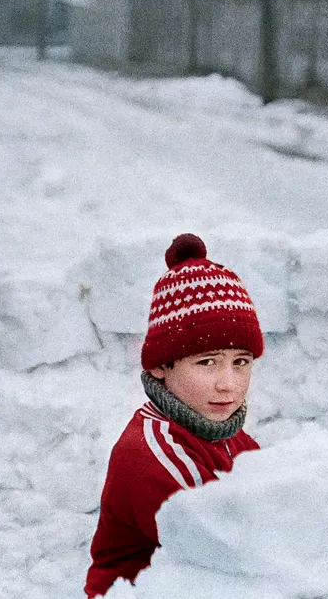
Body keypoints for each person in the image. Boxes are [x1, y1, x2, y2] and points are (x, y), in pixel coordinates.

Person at [84, 233, 263, 597]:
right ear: (162, 366)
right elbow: (240, 549)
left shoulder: (220, 429)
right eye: (207, 362)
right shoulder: (154, 454)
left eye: (240, 362)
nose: (228, 384)